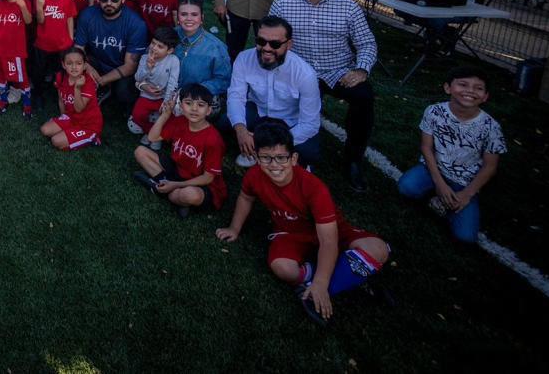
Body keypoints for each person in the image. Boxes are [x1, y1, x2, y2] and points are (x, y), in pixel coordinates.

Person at [216, 120, 391, 326]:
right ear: (257, 158)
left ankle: (316, 288)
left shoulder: (314, 188)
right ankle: (346, 272)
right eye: (266, 158)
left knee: (378, 249)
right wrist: (234, 228)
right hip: (291, 233)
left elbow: (328, 241)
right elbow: (246, 197)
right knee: (282, 267)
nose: (274, 165)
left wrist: (321, 283)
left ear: (294, 158)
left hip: (331, 233)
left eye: (281, 158)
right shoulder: (254, 175)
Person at [270, 0, 378, 191]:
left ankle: (353, 159)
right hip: (300, 71)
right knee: (287, 107)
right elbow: (272, 38)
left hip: (338, 70)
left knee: (364, 97)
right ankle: (296, 154)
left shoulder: (348, 7)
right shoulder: (283, 2)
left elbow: (367, 43)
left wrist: (361, 69)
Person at [397, 65, 505, 244]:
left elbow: (490, 166)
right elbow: (426, 148)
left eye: (478, 88)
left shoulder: (491, 127)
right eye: (463, 84)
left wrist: (467, 194)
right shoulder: (434, 111)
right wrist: (440, 184)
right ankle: (436, 194)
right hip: (433, 170)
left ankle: (448, 200)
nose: (470, 91)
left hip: (464, 183)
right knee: (406, 188)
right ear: (448, 88)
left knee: (465, 237)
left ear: (485, 96)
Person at [227, 17, 322, 167]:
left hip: (289, 122)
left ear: (289, 44)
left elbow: (310, 123)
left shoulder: (305, 74)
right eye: (261, 41)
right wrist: (240, 129)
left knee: (309, 152)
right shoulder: (244, 58)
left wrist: (271, 141)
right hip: (258, 112)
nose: (267, 48)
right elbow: (235, 97)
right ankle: (259, 149)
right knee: (226, 123)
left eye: (275, 44)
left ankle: (260, 149)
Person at [132, 83, 226, 217]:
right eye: (188, 103)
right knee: (140, 152)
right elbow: (153, 137)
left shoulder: (213, 139)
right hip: (177, 170)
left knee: (190, 195)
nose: (194, 109)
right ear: (181, 106)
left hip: (200, 183)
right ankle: (169, 191)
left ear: (209, 110)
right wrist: (166, 114)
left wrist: (175, 185)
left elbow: (207, 178)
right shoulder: (180, 121)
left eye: (200, 105)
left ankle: (160, 189)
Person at [74, 0, 147, 110]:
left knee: (124, 94)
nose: (109, 3)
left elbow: (130, 66)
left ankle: (109, 91)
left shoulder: (136, 24)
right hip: (96, 62)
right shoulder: (87, 15)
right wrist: (88, 68)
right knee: (74, 65)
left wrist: (101, 81)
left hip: (121, 68)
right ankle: (101, 90)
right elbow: (78, 49)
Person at [173, 0, 231, 114]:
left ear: (202, 18)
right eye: (184, 14)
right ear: (178, 18)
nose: (189, 19)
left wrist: (193, 92)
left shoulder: (215, 47)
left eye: (194, 15)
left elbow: (224, 80)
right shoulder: (170, 35)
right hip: (168, 90)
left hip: (198, 95)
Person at [39, 47, 103, 150]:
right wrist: (63, 118)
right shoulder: (61, 77)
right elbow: (61, 100)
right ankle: (69, 131)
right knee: (45, 130)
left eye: (78, 63)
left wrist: (77, 88)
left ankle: (93, 137)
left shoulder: (88, 82)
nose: (74, 67)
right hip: (71, 117)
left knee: (56, 141)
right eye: (69, 63)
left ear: (84, 65)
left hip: (88, 124)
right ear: (63, 65)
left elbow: (79, 109)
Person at [129, 27, 181, 137]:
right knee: (137, 115)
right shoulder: (144, 58)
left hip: (163, 97)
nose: (154, 48)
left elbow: (172, 82)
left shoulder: (173, 61)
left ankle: (158, 133)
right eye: (153, 43)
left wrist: (166, 101)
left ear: (170, 50)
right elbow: (138, 78)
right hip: (146, 95)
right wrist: (148, 68)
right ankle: (149, 132)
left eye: (160, 46)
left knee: (167, 118)